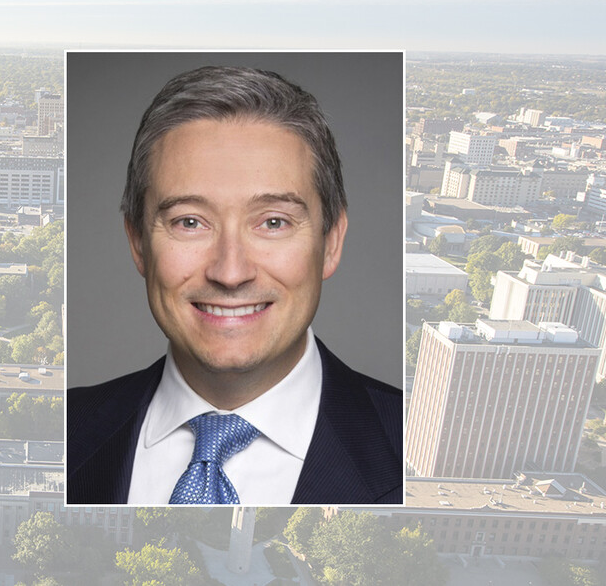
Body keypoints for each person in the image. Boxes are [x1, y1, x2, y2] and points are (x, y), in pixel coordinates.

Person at [67, 65, 401, 505]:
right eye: (189, 222)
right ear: (138, 243)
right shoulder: (65, 430)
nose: (230, 272)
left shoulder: (415, 450)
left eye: (273, 222)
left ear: (332, 241)